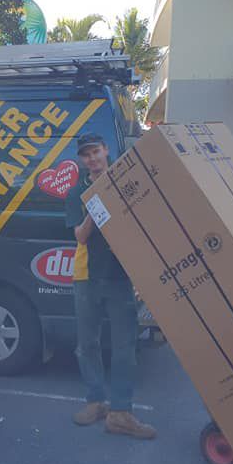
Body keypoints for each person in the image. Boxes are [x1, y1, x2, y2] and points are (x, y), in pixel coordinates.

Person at [64, 133, 156, 439]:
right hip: (86, 276)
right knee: (87, 344)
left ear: (106, 151)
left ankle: (121, 412)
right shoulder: (77, 190)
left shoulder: (124, 182)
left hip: (119, 277)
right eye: (86, 154)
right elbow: (79, 235)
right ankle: (95, 402)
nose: (92, 158)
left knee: (124, 347)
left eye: (96, 151)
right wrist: (94, 206)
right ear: (82, 159)